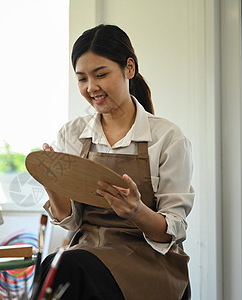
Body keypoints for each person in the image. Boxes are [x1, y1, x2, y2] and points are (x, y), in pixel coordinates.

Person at [37, 24, 194, 300]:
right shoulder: (72, 134)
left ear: (129, 68)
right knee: (51, 268)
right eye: (82, 78)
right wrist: (51, 183)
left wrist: (136, 211)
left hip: (150, 263)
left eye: (101, 75)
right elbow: (72, 222)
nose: (91, 87)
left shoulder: (167, 137)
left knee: (65, 268)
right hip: (88, 253)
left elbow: (174, 230)